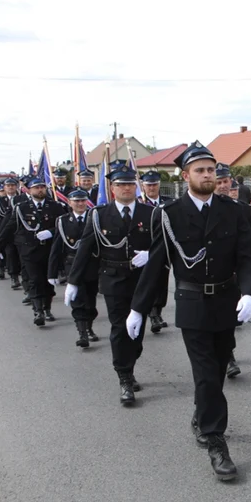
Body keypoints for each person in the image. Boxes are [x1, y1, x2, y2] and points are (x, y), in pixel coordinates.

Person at [126, 142, 251, 481]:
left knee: (216, 370)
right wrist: (138, 309)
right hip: (192, 303)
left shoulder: (235, 211)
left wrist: (250, 294)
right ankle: (216, 442)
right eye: (200, 170)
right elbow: (157, 264)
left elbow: (247, 257)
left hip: (226, 302)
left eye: (211, 169)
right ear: (185, 176)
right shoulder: (169, 215)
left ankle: (202, 412)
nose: (207, 175)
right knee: (205, 374)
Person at [66, 161, 156, 405]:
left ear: (136, 187)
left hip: (141, 280)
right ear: (112, 188)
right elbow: (85, 247)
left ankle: (131, 363)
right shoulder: (99, 215)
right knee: (119, 327)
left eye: (130, 184)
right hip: (113, 279)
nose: (126, 189)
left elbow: (163, 245)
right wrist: (73, 281)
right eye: (121, 185)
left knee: (137, 331)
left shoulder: (151, 213)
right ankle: (124, 377)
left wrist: (151, 254)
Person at [213, 162, 251, 379]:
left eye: (226, 181)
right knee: (216, 318)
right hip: (214, 275)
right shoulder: (206, 210)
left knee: (231, 319)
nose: (223, 186)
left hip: (237, 275)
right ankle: (228, 357)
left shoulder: (243, 209)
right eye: (219, 182)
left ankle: (228, 353)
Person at [0, 176, 68, 326]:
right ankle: (38, 310)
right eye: (36, 188)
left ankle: (47, 307)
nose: (39, 190)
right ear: (29, 190)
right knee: (34, 280)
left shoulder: (56, 206)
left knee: (48, 281)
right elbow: (10, 227)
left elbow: (64, 226)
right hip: (29, 250)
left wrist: (51, 232)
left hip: (49, 250)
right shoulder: (22, 208)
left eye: (42, 187)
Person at [50, 189, 100, 348]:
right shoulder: (62, 221)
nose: (80, 204)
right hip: (72, 266)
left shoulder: (95, 218)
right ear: (69, 203)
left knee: (90, 302)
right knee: (77, 301)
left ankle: (89, 327)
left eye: (82, 201)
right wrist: (52, 272)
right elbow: (57, 247)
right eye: (76, 201)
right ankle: (82, 333)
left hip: (92, 265)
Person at [139, 170, 171, 334]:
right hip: (144, 251)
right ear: (143, 186)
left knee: (161, 284)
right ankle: (151, 314)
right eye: (148, 185)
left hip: (164, 250)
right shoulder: (139, 204)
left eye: (154, 184)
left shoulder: (169, 203)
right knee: (148, 282)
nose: (152, 187)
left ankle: (157, 312)